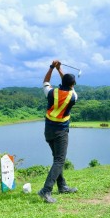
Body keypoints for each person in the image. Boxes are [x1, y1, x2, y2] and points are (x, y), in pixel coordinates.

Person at [38, 60, 78, 203]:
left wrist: (52, 68)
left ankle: (62, 186)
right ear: (72, 85)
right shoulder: (73, 97)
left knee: (57, 159)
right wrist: (60, 69)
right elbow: (68, 84)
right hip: (61, 132)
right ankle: (46, 190)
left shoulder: (51, 93)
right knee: (60, 160)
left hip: (48, 131)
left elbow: (46, 81)